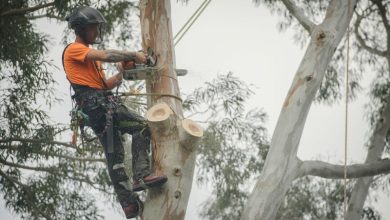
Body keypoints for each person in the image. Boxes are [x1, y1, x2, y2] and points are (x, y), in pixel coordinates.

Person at [63, 6, 167, 219]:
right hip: (99, 106)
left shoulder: (90, 60)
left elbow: (105, 85)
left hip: (97, 109)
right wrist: (133, 55)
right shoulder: (75, 49)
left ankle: (129, 204)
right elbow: (108, 54)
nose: (97, 32)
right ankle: (141, 175)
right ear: (81, 29)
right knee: (144, 126)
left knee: (115, 155)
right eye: (93, 28)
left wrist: (123, 73)